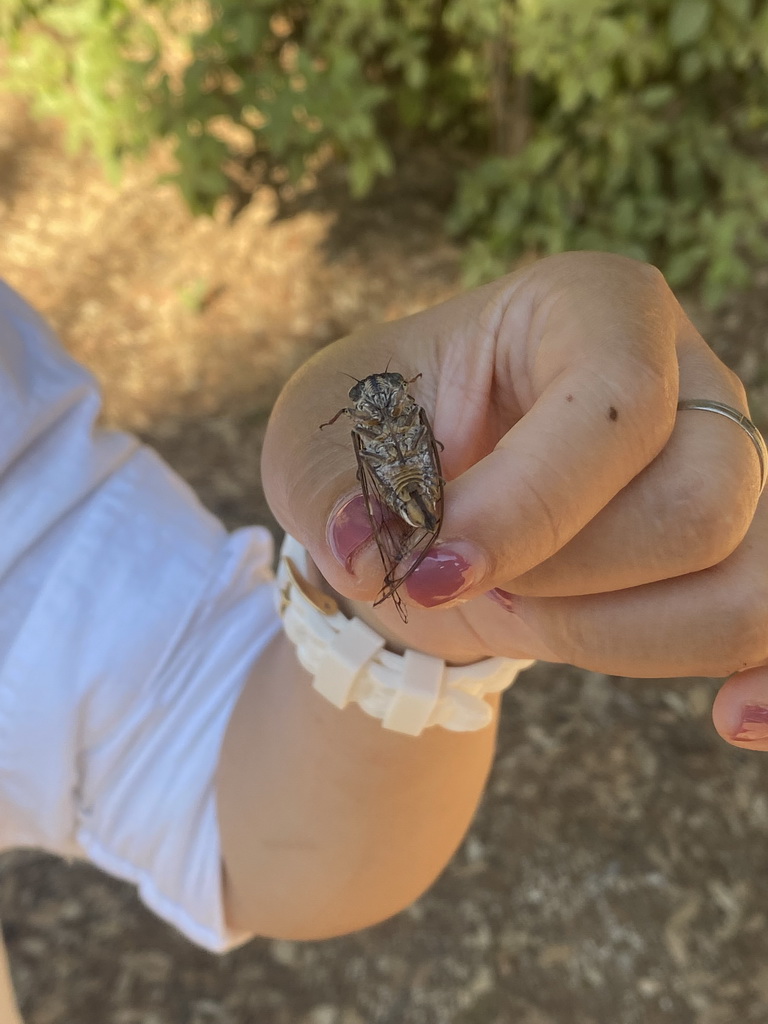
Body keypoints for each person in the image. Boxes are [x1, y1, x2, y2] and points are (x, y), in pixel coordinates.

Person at [0, 251, 766, 1019]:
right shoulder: (385, 418)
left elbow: (174, 733)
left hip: (408, 489)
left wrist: (407, 627)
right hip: (404, 471)